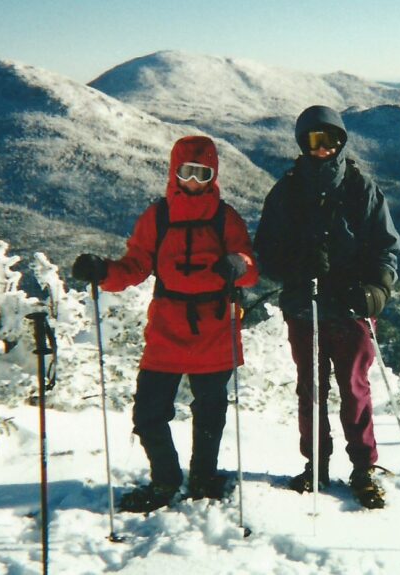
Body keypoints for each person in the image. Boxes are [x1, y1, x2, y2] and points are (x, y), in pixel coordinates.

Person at [72, 136, 258, 513]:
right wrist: (103, 272)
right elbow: (135, 265)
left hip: (213, 326)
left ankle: (203, 478)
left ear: (213, 176)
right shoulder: (157, 217)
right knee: (148, 412)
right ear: (174, 173)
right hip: (168, 328)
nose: (194, 180)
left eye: (202, 173)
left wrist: (237, 265)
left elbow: (249, 268)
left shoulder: (226, 217)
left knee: (210, 411)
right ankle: (166, 480)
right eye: (187, 172)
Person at [254, 105, 400, 509]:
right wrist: (296, 265)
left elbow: (387, 247)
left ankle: (363, 468)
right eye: (316, 141)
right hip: (305, 306)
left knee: (354, 389)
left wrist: (378, 292)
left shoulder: (361, 188)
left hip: (351, 306)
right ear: (303, 143)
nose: (324, 149)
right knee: (311, 391)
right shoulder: (287, 191)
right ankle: (315, 465)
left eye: (332, 140)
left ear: (341, 143)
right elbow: (265, 249)